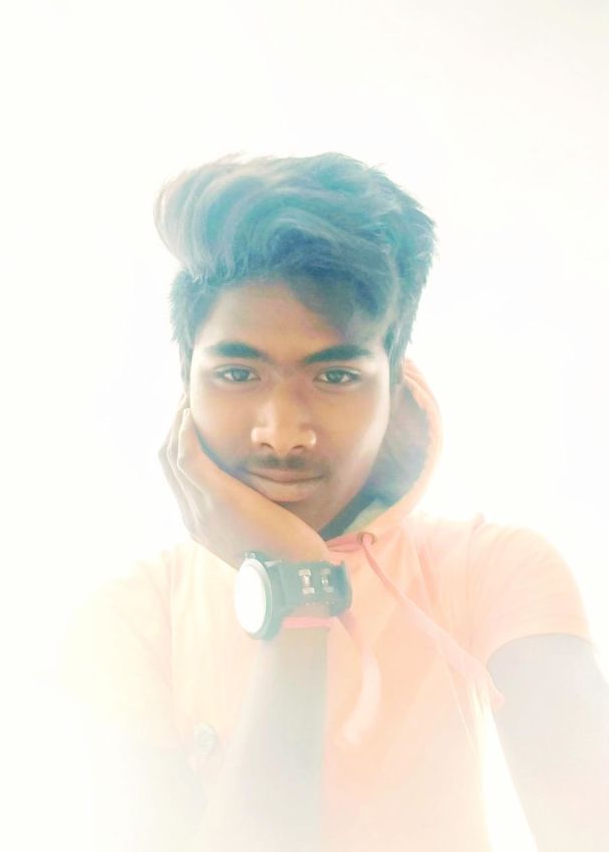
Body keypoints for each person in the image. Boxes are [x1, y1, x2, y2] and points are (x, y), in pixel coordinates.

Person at [56, 153, 609, 852]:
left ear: (397, 389)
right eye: (237, 373)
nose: (282, 434)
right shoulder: (133, 621)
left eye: (336, 375)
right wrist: (296, 591)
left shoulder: (492, 571)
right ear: (184, 385)